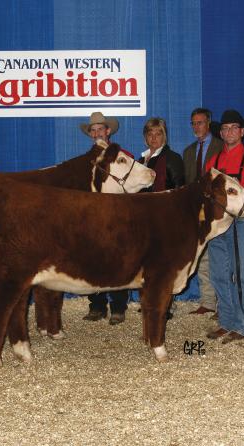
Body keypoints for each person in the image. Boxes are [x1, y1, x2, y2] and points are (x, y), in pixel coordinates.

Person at [205, 110, 244, 344]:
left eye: (233, 128)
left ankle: (241, 324)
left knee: (240, 274)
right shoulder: (213, 162)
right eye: (225, 128)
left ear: (242, 132)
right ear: (220, 133)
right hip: (217, 224)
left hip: (240, 222)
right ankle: (226, 321)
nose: (229, 132)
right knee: (219, 273)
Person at [79, 111, 129, 324]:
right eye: (93, 130)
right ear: (90, 134)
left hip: (117, 216)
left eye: (101, 129)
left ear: (108, 131)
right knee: (93, 261)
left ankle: (118, 307)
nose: (97, 133)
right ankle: (97, 306)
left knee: (117, 262)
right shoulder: (86, 160)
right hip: (93, 218)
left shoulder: (122, 156)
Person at [138, 117, 185, 319]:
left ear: (164, 136)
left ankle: (164, 305)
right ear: (145, 137)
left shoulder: (172, 158)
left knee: (164, 265)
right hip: (144, 220)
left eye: (158, 133)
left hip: (165, 220)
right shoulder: (141, 160)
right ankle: (149, 301)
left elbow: (179, 190)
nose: (154, 137)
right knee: (146, 263)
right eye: (150, 134)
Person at [183, 108, 224, 316]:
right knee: (202, 256)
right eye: (193, 123)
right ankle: (208, 301)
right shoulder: (189, 151)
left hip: (216, 209)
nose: (196, 126)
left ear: (209, 123)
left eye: (200, 122)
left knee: (221, 257)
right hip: (196, 210)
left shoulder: (221, 146)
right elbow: (188, 182)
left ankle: (224, 305)